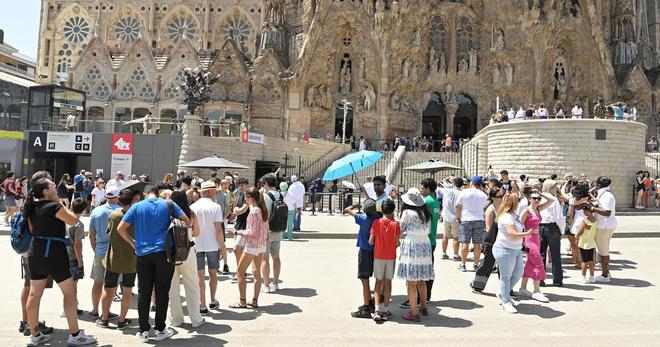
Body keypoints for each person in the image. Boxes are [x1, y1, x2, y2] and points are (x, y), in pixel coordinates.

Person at [24, 178, 97, 346]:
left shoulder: (31, 207)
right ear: (46, 192)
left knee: (34, 294)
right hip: (54, 253)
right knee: (70, 293)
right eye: (52, 186)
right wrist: (60, 203)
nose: (56, 188)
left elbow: (32, 229)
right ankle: (75, 335)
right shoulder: (55, 206)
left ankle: (34, 335)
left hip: (35, 251)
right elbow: (73, 220)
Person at [117, 185, 191, 343]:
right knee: (162, 292)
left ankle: (143, 330)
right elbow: (188, 221)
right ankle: (160, 329)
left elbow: (120, 228)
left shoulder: (136, 207)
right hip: (164, 253)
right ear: (158, 193)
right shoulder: (169, 204)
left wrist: (133, 243)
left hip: (143, 254)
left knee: (144, 292)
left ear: (145, 194)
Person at [99, 189, 140, 330]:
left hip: (113, 258)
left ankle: (104, 319)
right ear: (134, 200)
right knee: (127, 291)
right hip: (131, 260)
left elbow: (108, 233)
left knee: (109, 288)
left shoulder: (114, 215)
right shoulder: (138, 216)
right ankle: (122, 320)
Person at [397, 188, 434, 322]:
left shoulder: (407, 212)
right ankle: (423, 305)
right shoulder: (426, 213)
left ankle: (413, 312)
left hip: (412, 243)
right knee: (421, 279)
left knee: (411, 281)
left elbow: (401, 228)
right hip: (424, 243)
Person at [169, 190, 205, 328]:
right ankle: (196, 319)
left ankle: (176, 319)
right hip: (188, 252)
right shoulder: (190, 213)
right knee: (192, 285)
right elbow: (197, 233)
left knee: (172, 287)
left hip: (171, 254)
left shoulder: (168, 214)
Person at [229, 188, 269, 309]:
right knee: (257, 274)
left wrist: (236, 232)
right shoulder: (263, 210)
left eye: (246, 197)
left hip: (252, 245)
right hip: (261, 245)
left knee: (240, 272)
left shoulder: (254, 212)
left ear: (250, 197)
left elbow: (251, 231)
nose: (244, 200)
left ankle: (242, 301)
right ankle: (255, 300)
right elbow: (266, 230)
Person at [493, 193, 531, 314]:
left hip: (516, 249)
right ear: (514, 203)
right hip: (505, 249)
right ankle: (506, 301)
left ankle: (503, 292)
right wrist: (527, 234)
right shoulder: (506, 217)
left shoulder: (514, 215)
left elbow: (517, 231)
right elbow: (512, 233)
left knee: (519, 273)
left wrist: (523, 242)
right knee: (506, 277)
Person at [191, 182, 225, 314]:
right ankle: (212, 299)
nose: (216, 193)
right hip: (212, 244)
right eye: (215, 191)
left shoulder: (193, 206)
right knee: (213, 273)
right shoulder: (216, 207)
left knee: (200, 276)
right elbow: (218, 230)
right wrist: (222, 246)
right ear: (210, 192)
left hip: (197, 244)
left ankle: (202, 304)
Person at [88, 187, 121, 320]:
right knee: (112, 284)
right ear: (117, 197)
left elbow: (91, 235)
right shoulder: (120, 211)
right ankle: (106, 311)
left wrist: (94, 249)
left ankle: (95, 310)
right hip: (115, 252)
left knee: (98, 282)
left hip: (100, 250)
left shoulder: (96, 211)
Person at [518, 190, 555, 303]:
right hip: (529, 240)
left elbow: (552, 200)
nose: (537, 200)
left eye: (539, 198)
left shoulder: (538, 208)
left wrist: (540, 192)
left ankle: (523, 288)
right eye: (535, 198)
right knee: (539, 263)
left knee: (530, 263)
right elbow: (519, 226)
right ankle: (536, 291)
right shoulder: (526, 210)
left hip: (537, 239)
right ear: (529, 198)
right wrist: (523, 240)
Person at [346, 199, 378, 318]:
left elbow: (347, 210)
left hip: (364, 251)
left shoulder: (362, 218)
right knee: (373, 279)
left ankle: (366, 307)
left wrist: (355, 205)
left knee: (365, 281)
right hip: (375, 252)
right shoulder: (377, 220)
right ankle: (371, 302)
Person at [368, 199, 400, 321]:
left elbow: (371, 241)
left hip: (378, 256)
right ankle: (386, 310)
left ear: (381, 209)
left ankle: (377, 309)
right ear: (393, 210)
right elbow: (397, 243)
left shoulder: (376, 222)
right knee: (388, 283)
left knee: (378, 283)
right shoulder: (395, 224)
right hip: (390, 256)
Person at [470, 187, 504, 292]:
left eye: (503, 196)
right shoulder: (490, 209)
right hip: (492, 239)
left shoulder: (503, 207)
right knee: (488, 263)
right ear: (493, 197)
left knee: (503, 264)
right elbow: (489, 227)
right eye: (499, 196)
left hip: (502, 239)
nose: (501, 198)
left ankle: (506, 288)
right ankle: (477, 284)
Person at [455, 176, 488, 272]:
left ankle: (463, 264)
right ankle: (476, 264)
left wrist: (458, 217)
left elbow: (458, 205)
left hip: (466, 219)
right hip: (479, 219)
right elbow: (485, 208)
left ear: (472, 183)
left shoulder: (464, 192)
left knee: (465, 242)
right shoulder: (483, 195)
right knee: (477, 243)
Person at [539, 179, 565, 286]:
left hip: (540, 227)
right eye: (555, 188)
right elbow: (559, 217)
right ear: (550, 188)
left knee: (541, 254)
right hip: (551, 227)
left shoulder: (538, 197)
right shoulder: (553, 199)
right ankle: (557, 280)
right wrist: (561, 230)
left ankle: (540, 279)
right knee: (555, 255)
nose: (556, 190)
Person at [592, 176, 617, 283]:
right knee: (602, 250)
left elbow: (607, 212)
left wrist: (592, 208)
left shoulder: (607, 195)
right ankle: (606, 271)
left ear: (598, 185)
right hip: (605, 225)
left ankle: (605, 275)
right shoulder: (604, 194)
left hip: (604, 226)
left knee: (603, 251)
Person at [261, 174, 283, 293]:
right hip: (278, 229)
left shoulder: (265, 196)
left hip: (267, 230)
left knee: (265, 258)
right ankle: (275, 283)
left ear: (265, 183)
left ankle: (266, 285)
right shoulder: (280, 195)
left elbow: (262, 214)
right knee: (276, 257)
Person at [65, 198, 86, 317]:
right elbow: (77, 245)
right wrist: (80, 262)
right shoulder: (78, 224)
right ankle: (71, 308)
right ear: (83, 210)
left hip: (63, 256)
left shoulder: (65, 220)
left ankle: (69, 307)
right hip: (73, 257)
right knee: (73, 286)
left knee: (67, 285)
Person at [420, 178, 439, 301]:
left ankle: (421, 296)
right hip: (432, 240)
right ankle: (427, 294)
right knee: (429, 268)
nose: (421, 190)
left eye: (422, 188)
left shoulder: (426, 201)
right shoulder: (435, 201)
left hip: (426, 239)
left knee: (422, 270)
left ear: (428, 188)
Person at [230, 177, 250, 283]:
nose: (241, 187)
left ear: (247, 185)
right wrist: (236, 210)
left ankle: (240, 270)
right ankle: (241, 270)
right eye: (239, 185)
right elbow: (234, 208)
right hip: (239, 224)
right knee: (240, 250)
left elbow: (243, 209)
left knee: (236, 248)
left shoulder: (249, 194)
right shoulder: (237, 194)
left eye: (243, 184)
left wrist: (236, 210)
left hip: (246, 225)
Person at [438, 177, 462, 260]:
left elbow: (439, 187)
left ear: (454, 183)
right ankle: (455, 254)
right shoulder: (460, 193)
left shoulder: (446, 191)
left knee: (445, 236)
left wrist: (446, 180)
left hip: (446, 217)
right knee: (456, 237)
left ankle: (444, 253)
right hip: (456, 217)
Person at [574, 204, 598, 284]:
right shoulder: (595, 219)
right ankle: (592, 277)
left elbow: (581, 231)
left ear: (588, 211)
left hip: (584, 243)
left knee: (584, 261)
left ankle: (583, 277)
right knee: (591, 261)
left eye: (584, 210)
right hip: (591, 242)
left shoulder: (585, 221)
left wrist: (577, 237)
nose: (583, 211)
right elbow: (589, 228)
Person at [216, 179, 231, 274]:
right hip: (219, 221)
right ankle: (219, 265)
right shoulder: (224, 194)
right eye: (225, 184)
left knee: (220, 244)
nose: (226, 186)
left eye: (227, 184)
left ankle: (224, 265)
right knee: (220, 244)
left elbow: (229, 209)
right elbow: (229, 209)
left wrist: (223, 218)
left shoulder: (225, 194)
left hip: (218, 222)